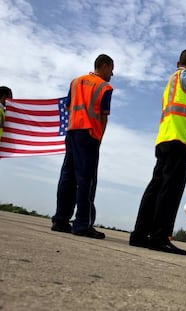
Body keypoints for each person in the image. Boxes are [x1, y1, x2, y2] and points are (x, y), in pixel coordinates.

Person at [129, 49, 186, 255]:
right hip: (180, 139)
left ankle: (140, 234)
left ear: (178, 62)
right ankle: (159, 237)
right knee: (171, 190)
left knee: (155, 187)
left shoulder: (171, 81)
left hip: (164, 138)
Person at [51, 54, 114, 239]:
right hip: (89, 136)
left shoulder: (76, 81)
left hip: (72, 131)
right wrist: (99, 138)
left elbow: (67, 107)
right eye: (111, 69)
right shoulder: (105, 87)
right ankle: (82, 224)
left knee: (67, 177)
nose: (112, 73)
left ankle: (60, 220)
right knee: (86, 180)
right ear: (104, 66)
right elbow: (103, 116)